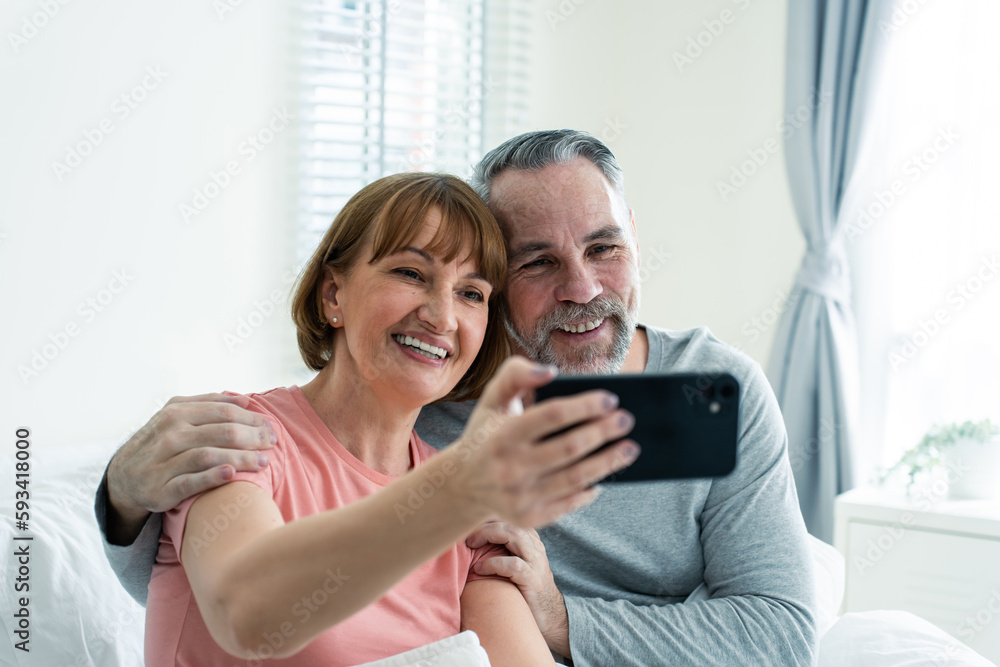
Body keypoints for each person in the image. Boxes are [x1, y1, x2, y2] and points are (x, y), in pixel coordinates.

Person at [97, 131, 819, 665]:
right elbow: (218, 583)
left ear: (636, 241)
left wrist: (564, 619)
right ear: (333, 292)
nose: (582, 288)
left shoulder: (709, 393)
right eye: (538, 261)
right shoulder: (448, 425)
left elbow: (781, 631)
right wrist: (122, 495)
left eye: (604, 248)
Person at [131, 171, 639, 666]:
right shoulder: (235, 435)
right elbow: (247, 614)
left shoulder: (473, 511)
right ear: (334, 294)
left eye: (471, 293)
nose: (442, 317)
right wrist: (459, 492)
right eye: (411, 274)